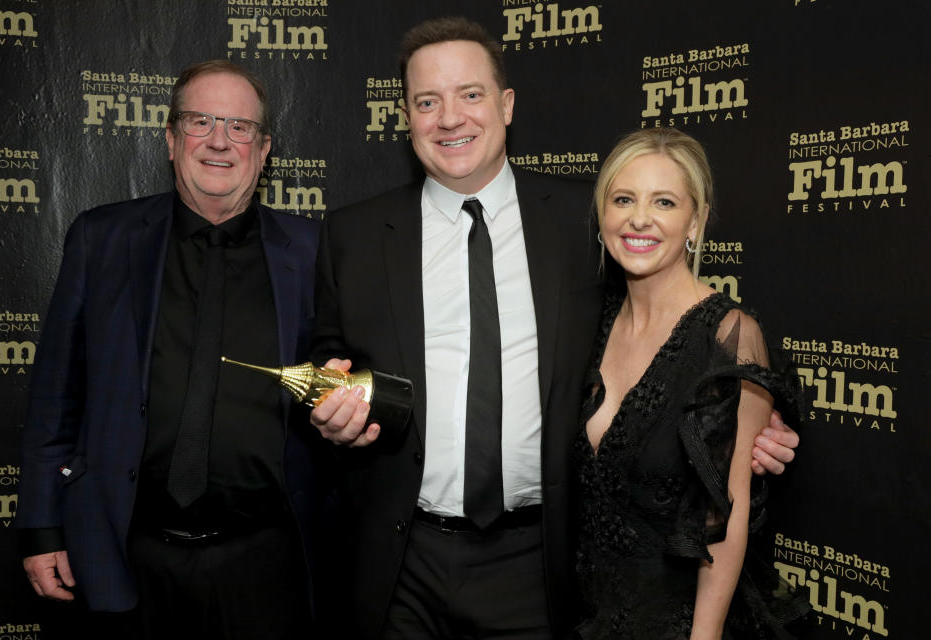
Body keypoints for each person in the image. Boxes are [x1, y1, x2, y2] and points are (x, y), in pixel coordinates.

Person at [309, 17, 798, 639]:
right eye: (427, 101)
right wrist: (329, 396)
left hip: (540, 563)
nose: (449, 117)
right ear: (406, 116)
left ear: (506, 105)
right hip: (402, 562)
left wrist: (740, 422)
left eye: (470, 94)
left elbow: (669, 333)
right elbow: (330, 352)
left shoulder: (585, 220)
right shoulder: (352, 235)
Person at [14, 60, 326, 639]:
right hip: (124, 554)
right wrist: (39, 525)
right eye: (200, 120)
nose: (218, 140)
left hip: (266, 565)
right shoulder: (100, 238)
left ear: (263, 150)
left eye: (239, 127)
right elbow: (55, 397)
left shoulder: (314, 252)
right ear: (169, 138)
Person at [574, 127, 806, 639]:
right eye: (623, 199)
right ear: (603, 217)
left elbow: (728, 516)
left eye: (664, 201)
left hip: (678, 623)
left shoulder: (728, 334)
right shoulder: (591, 323)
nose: (639, 218)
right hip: (583, 616)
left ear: (695, 221)